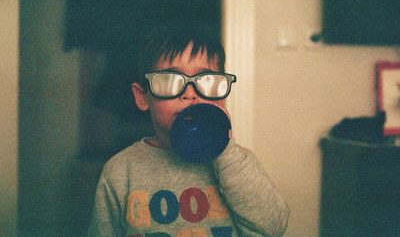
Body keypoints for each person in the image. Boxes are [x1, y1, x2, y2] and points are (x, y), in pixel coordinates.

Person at [88, 24, 289, 236]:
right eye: (170, 81)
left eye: (206, 80)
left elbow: (273, 227)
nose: (190, 94)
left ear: (221, 96)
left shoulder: (237, 163)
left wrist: (226, 150)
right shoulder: (120, 171)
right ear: (142, 96)